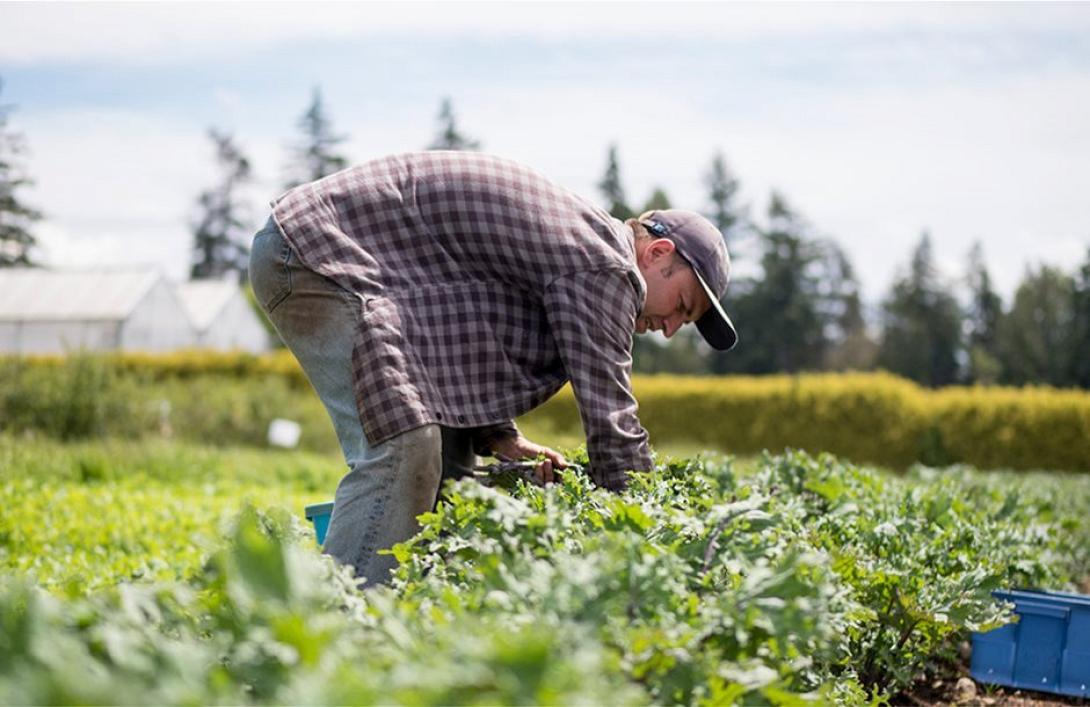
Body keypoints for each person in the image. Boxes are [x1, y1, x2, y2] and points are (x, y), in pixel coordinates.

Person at [248, 151, 737, 586]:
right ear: (658, 253)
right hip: (317, 252)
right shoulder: (606, 266)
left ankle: (413, 619)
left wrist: (502, 438)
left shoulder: (578, 250)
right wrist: (652, 528)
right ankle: (339, 632)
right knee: (406, 446)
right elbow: (612, 424)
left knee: (453, 472)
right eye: (682, 306)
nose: (670, 329)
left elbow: (461, 343)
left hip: (337, 259)